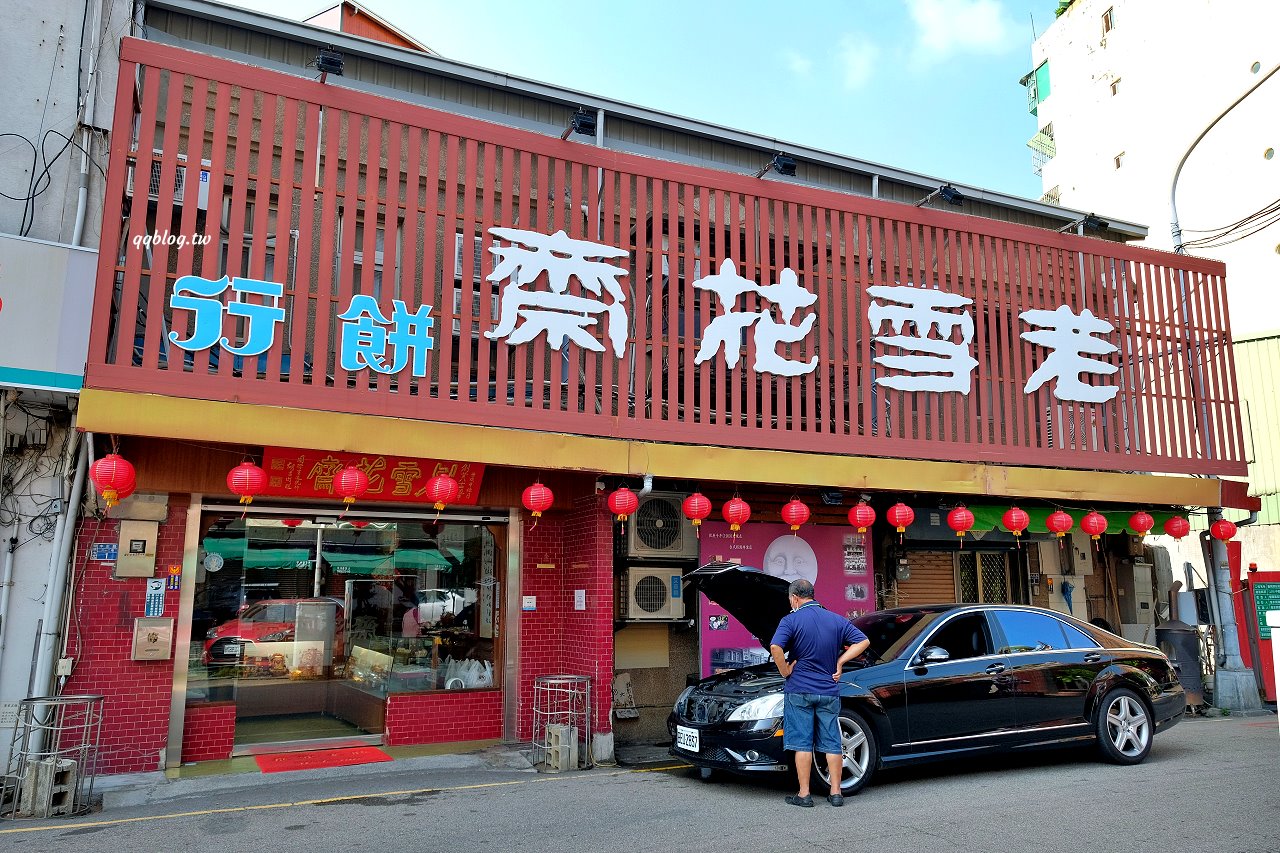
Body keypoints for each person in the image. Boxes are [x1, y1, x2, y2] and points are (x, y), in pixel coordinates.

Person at [769, 578, 869, 808]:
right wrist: (840, 661)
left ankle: (804, 795)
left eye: (790, 600)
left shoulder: (791, 619)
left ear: (794, 598)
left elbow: (775, 647)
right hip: (828, 690)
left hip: (800, 690)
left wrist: (785, 670)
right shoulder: (835, 619)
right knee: (832, 742)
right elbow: (863, 641)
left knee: (802, 743)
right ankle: (836, 793)